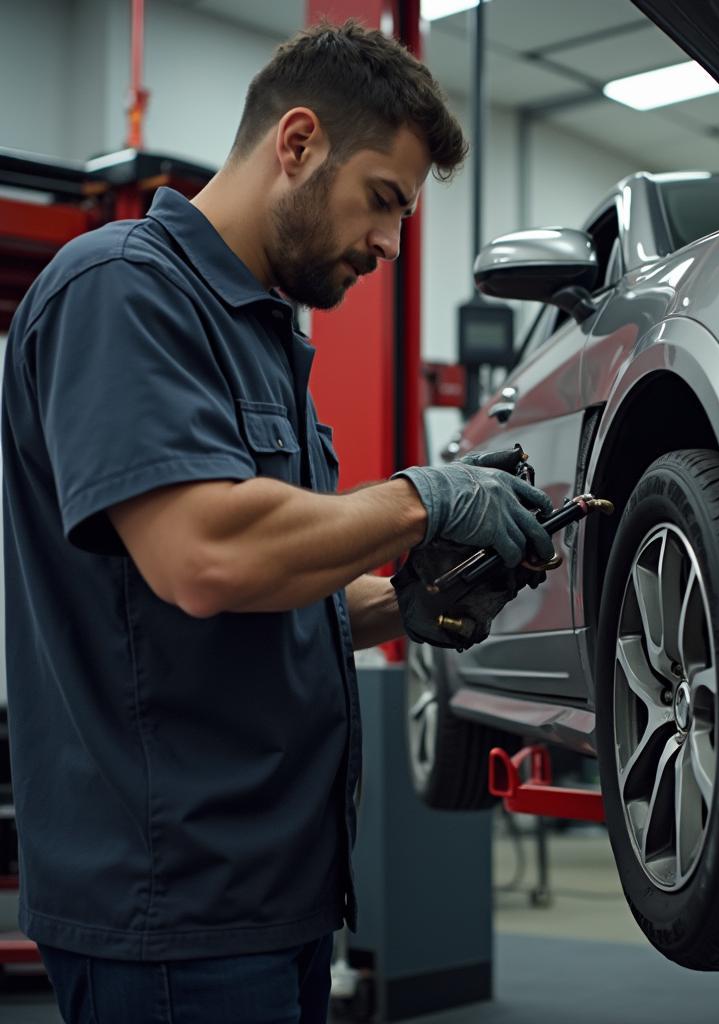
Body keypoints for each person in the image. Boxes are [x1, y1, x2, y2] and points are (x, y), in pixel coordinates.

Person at [1, 20, 553, 1024]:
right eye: (383, 201)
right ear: (296, 142)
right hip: (172, 903)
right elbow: (206, 556)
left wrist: (406, 601)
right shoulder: (121, 292)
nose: (391, 244)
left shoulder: (262, 339)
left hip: (277, 894)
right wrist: (426, 494)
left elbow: (276, 595)